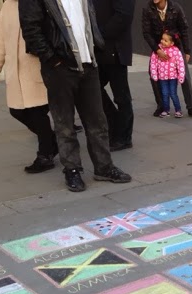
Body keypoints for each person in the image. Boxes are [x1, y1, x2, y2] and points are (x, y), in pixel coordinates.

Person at [19, 0, 132, 192]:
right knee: (65, 124)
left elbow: (89, 18)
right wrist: (52, 59)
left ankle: (104, 167)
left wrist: (96, 45)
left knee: (97, 121)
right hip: (59, 68)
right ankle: (72, 170)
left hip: (89, 63)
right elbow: (30, 28)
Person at [0, 0, 57, 174]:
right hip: (15, 72)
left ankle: (45, 155)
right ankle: (52, 141)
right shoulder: (8, 6)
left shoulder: (39, 3)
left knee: (37, 112)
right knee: (17, 111)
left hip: (37, 67)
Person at [141, 0, 192, 117]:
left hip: (176, 47)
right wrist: (157, 50)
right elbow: (146, 33)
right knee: (153, 74)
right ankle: (161, 106)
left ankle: (191, 106)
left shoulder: (176, 8)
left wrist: (187, 50)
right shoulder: (147, 9)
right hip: (158, 46)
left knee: (184, 74)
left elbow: (184, 29)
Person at [94, 0, 135, 152]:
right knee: (93, 90)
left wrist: (98, 34)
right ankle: (115, 124)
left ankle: (124, 137)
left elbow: (123, 16)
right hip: (99, 50)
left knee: (121, 96)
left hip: (116, 50)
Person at [150, 31, 186, 118]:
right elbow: (153, 63)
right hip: (162, 77)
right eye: (162, 39)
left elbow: (180, 64)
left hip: (173, 77)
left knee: (173, 94)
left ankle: (178, 110)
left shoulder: (176, 51)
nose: (162, 41)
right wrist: (154, 74)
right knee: (165, 94)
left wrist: (181, 75)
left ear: (172, 43)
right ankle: (166, 110)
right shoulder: (158, 50)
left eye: (165, 40)